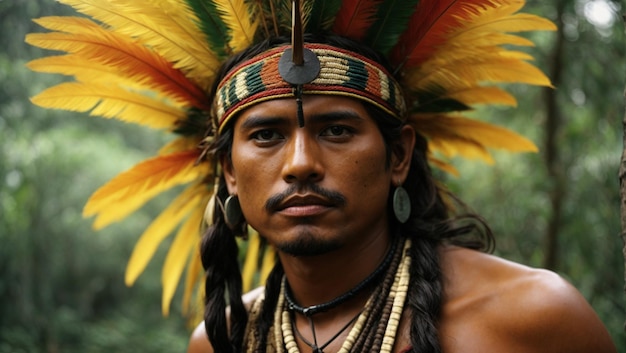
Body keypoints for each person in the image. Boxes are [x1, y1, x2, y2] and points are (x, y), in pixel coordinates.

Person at [26, 1, 616, 352]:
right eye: (266, 135)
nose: (301, 162)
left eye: (336, 130)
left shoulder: (535, 318)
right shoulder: (222, 342)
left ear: (399, 157)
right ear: (229, 171)